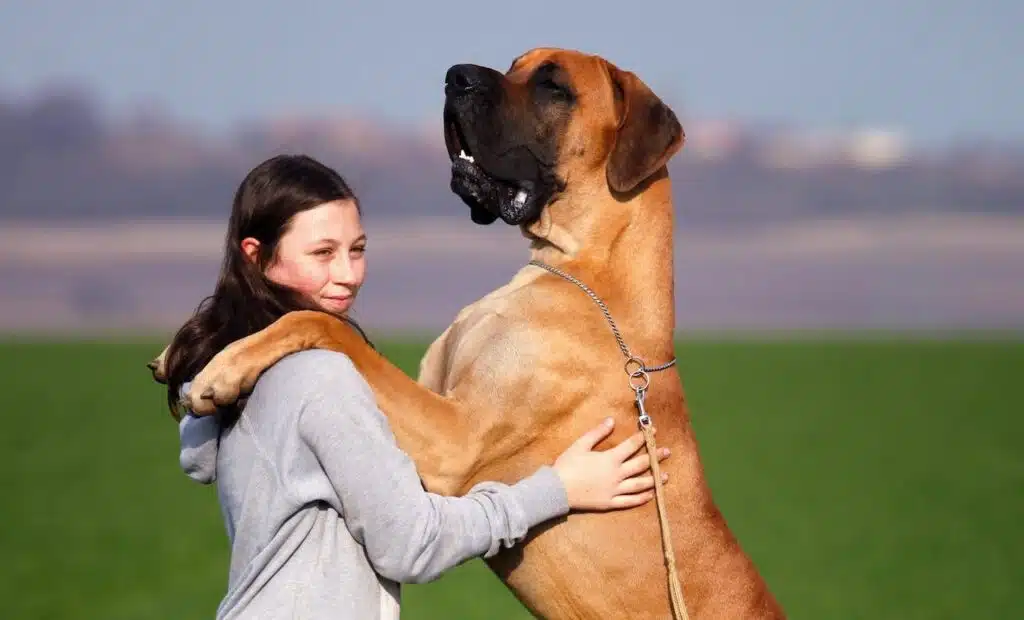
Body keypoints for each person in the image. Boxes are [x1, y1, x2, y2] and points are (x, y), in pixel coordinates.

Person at [163, 154, 671, 619]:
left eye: (357, 250)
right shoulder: (317, 374)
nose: (348, 275)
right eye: (322, 253)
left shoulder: (242, 378)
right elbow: (413, 542)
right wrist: (558, 490)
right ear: (256, 256)